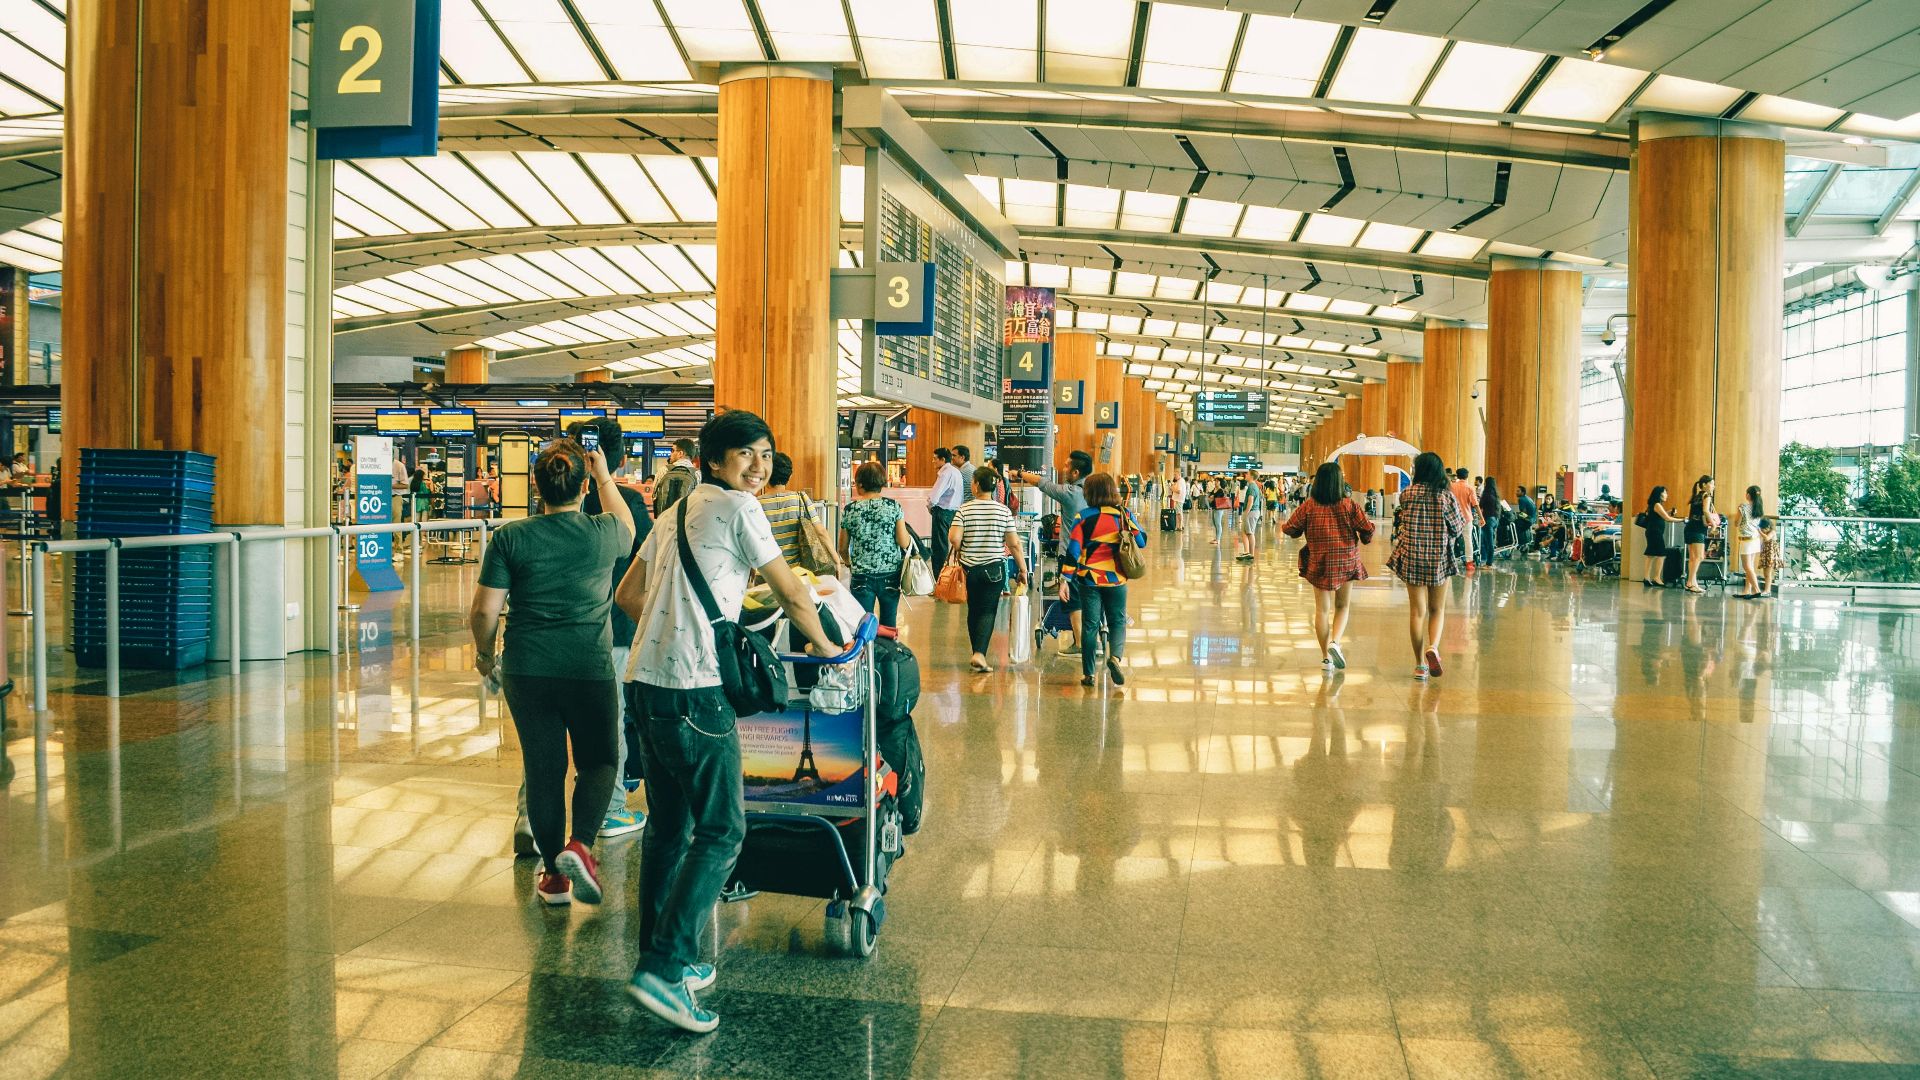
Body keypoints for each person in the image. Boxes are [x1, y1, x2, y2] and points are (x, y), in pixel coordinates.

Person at [615, 410, 843, 1034]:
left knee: (668, 828)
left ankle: (660, 960)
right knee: (721, 831)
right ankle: (665, 969)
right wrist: (827, 648)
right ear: (715, 460)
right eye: (746, 454)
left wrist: (672, 627)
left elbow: (628, 598)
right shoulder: (742, 511)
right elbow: (794, 593)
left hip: (644, 682)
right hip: (694, 690)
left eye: (766, 454)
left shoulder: (673, 512)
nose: (759, 466)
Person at [469, 438, 635, 908]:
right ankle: (580, 845)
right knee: (601, 761)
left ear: (537, 488)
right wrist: (603, 474)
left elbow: (484, 612)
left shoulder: (511, 537)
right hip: (589, 666)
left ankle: (553, 878)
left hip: (528, 668)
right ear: (582, 486)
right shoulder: (603, 532)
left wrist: (485, 656)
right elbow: (626, 522)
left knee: (544, 769)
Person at [577, 419, 654, 838]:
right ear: (619, 456)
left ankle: (532, 818)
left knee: (551, 734)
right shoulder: (625, 503)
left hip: (561, 633)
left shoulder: (560, 502)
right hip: (613, 627)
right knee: (611, 720)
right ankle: (611, 808)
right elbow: (646, 555)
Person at [1284, 461, 1374, 671]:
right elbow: (1367, 529)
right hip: (1346, 560)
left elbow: (1290, 528)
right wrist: (1365, 537)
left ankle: (1326, 658)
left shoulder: (1309, 505)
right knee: (1342, 606)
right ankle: (1336, 641)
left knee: (1321, 610)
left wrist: (1298, 531)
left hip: (1320, 560)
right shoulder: (1349, 504)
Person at [1388, 452, 1468, 680]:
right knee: (1437, 610)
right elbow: (1456, 527)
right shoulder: (1445, 496)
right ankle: (1433, 646)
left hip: (1412, 556)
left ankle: (1419, 665)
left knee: (1417, 611)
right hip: (1438, 558)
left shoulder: (1407, 494)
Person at [1063, 472, 1145, 687]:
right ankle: (1115, 658)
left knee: (1089, 625)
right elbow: (1142, 541)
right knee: (1117, 621)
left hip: (1088, 579)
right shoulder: (1124, 515)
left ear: (1089, 493)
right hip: (1116, 579)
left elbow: (1073, 551)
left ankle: (1089, 674)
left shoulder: (1083, 517)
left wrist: (1065, 579)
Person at [949, 465, 1026, 673]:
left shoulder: (965, 509)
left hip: (970, 569)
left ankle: (977, 651)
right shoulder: (1003, 511)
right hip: (994, 569)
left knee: (974, 609)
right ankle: (979, 654)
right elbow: (1014, 544)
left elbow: (954, 538)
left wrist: (959, 548)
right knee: (988, 611)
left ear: (975, 485)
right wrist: (1023, 569)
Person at [1018, 450, 1091, 646]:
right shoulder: (1094, 491)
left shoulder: (1070, 493)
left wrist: (1019, 474)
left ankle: (1079, 643)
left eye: (1067, 466)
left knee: (1073, 599)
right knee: (1090, 597)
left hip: (1070, 555)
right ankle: (1093, 640)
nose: (1064, 469)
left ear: (1075, 473)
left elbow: (1042, 484)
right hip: (1094, 555)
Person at [838, 460, 912, 626]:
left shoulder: (850, 510)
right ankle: (889, 651)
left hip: (861, 575)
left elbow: (842, 548)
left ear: (860, 484)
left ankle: (867, 652)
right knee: (889, 624)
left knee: (863, 625)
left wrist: (850, 564)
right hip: (891, 574)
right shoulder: (893, 507)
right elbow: (903, 541)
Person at [756, 452, 810, 566]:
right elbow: (821, 532)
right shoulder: (800, 499)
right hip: (795, 572)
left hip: (764, 572)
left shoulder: (755, 504)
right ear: (790, 476)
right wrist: (836, 560)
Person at [928, 447, 965, 579]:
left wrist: (930, 506)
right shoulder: (956, 472)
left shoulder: (945, 473)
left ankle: (939, 580)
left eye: (934, 458)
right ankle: (950, 579)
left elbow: (933, 497)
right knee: (951, 547)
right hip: (954, 512)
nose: (933, 461)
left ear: (943, 460)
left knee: (939, 548)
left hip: (942, 512)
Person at [1684, 474, 1716, 594]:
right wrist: (1713, 524)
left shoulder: (1696, 496)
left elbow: (1697, 514)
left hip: (1689, 528)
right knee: (1699, 557)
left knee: (1693, 558)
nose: (1713, 486)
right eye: (1711, 483)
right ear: (1704, 485)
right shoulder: (1706, 495)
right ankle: (1691, 583)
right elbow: (1705, 511)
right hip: (1697, 529)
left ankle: (1692, 582)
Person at [1733, 485, 1766, 599]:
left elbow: (1736, 523)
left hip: (1746, 540)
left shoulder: (1743, 508)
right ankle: (1747, 590)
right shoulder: (1759, 508)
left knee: (1747, 566)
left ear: (1748, 495)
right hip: (1755, 539)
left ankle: (1756, 590)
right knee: (1750, 566)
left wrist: (1738, 510)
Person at [652, 438, 698, 514]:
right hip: (688, 520)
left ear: (680, 453)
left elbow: (654, 496)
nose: (670, 454)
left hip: (665, 518)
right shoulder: (697, 474)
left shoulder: (664, 470)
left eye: (672, 451)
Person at [1448, 468, 1481, 570]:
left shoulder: (1451, 487)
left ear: (1457, 476)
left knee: (1451, 540)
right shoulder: (1470, 488)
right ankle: (1469, 563)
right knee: (1468, 540)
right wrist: (1481, 518)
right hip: (1467, 517)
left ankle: (1449, 561)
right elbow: (1475, 504)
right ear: (1467, 476)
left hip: (1453, 517)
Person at [1235, 471, 1263, 562]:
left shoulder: (1251, 486)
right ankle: (1248, 553)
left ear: (1251, 476)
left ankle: (1250, 553)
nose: (1245, 475)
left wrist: (1245, 513)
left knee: (1249, 533)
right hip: (1254, 512)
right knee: (1245, 532)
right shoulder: (1254, 486)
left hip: (1251, 512)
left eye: (1247, 474)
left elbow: (1250, 501)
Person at [1478, 476, 1502, 564]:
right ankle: (1487, 560)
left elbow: (1480, 506)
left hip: (1488, 520)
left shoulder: (1486, 494)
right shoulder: (1496, 495)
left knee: (1488, 542)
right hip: (1495, 520)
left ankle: (1489, 563)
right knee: (1490, 541)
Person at [1755, 516, 1780, 598]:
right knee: (1765, 574)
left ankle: (1767, 590)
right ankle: (1766, 590)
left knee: (1768, 574)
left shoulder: (1772, 532)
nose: (1762, 530)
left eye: (1763, 529)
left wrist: (1759, 531)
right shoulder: (1765, 533)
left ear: (1768, 526)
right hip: (1766, 554)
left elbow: (1767, 538)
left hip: (1771, 555)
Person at [1209, 477, 1233, 546]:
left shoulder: (1221, 490)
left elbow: (1215, 497)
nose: (1215, 482)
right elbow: (1211, 495)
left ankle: (1218, 539)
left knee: (1218, 523)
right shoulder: (1215, 489)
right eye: (1215, 481)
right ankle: (1216, 538)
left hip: (1219, 509)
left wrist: (1213, 497)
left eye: (1217, 481)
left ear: (1220, 482)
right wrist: (1212, 496)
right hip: (1214, 507)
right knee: (1214, 523)